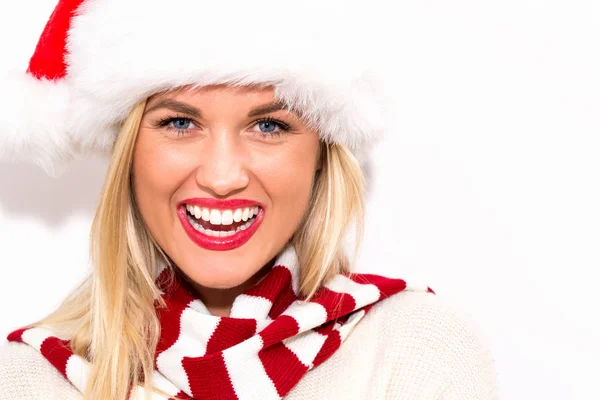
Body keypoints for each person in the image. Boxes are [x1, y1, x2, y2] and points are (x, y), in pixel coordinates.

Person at [0, 1, 498, 399]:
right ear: (129, 155)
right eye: (179, 122)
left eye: (268, 125)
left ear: (321, 156)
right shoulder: (24, 381)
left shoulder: (415, 350)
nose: (221, 176)